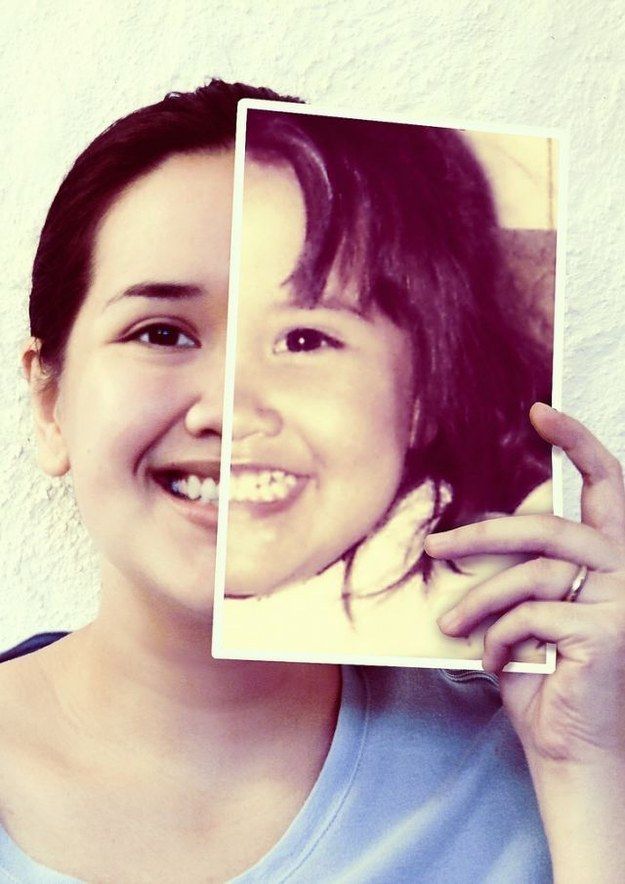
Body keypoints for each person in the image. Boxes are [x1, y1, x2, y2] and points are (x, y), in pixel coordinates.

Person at [0, 80, 623, 882]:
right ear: (51, 402)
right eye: (161, 332)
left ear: (419, 399)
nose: (231, 410)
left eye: (304, 338)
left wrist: (590, 771)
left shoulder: (556, 761)